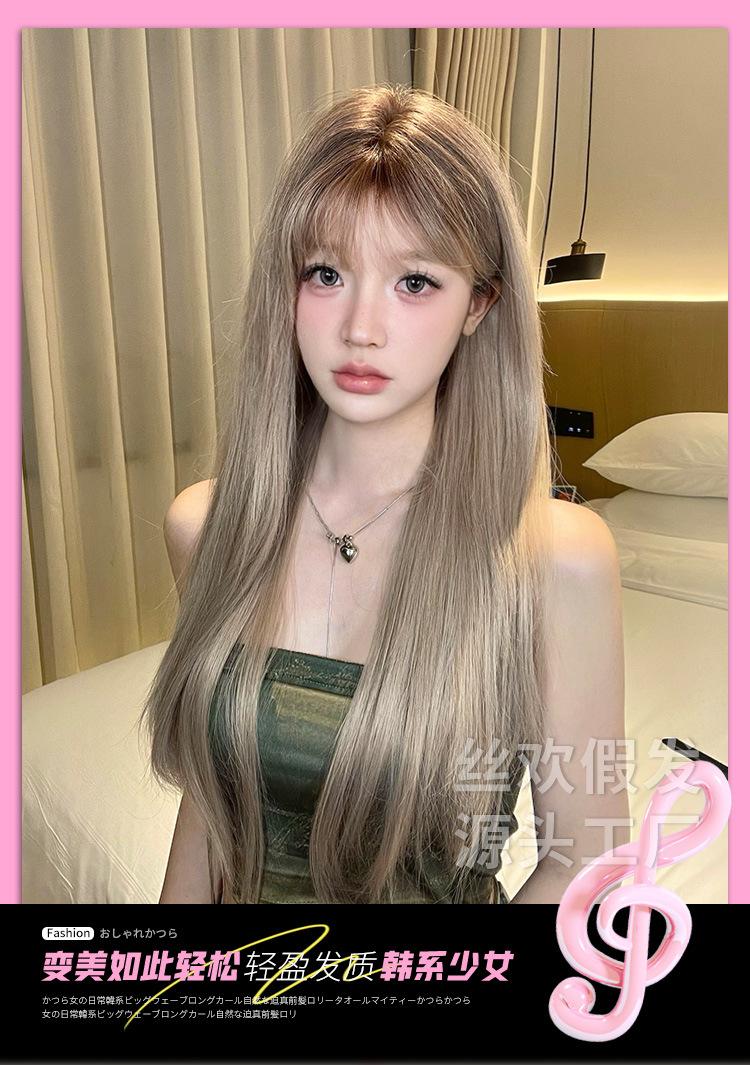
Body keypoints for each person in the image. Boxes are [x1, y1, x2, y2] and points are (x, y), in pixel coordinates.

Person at [141, 83, 627, 905]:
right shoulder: (209, 525)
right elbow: (214, 804)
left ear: (480, 303)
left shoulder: (553, 560)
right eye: (326, 273)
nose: (360, 327)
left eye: (416, 282)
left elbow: (587, 858)